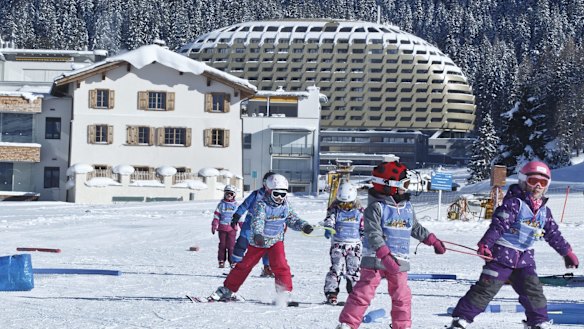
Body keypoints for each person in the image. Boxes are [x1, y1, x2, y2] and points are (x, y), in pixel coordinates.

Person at [447, 161, 579, 329]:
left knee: (533, 290)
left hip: (525, 258)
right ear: (523, 181)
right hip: (502, 254)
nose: (538, 186)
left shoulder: (545, 211)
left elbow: (553, 234)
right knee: (487, 288)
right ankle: (461, 319)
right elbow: (498, 225)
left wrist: (566, 252)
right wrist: (485, 244)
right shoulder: (514, 204)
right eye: (533, 181)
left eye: (543, 183)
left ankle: (538, 321)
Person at [335, 160, 446, 329]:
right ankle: (348, 324)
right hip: (375, 261)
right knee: (363, 293)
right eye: (405, 184)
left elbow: (414, 227)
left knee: (402, 297)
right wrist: (385, 255)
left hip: (399, 261)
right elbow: (373, 234)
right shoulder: (376, 208)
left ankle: (401, 326)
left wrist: (432, 240)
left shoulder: (407, 207)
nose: (407, 188)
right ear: (389, 186)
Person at [209, 174, 314, 302]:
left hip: (276, 240)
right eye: (276, 194)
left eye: (283, 194)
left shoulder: (286, 205)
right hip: (259, 241)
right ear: (269, 191)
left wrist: (303, 226)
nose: (280, 198)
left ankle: (284, 293)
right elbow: (257, 220)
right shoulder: (261, 204)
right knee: (245, 265)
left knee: (281, 265)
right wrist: (258, 235)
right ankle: (227, 289)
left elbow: (292, 219)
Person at [322, 181, 364, 305]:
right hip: (338, 245)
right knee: (336, 269)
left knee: (354, 270)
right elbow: (330, 220)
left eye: (348, 204)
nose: (345, 207)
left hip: (354, 246)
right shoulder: (335, 210)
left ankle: (355, 294)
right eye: (342, 204)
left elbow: (363, 227)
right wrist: (328, 229)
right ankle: (331, 293)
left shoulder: (360, 212)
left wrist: (366, 239)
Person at [230, 171, 275, 277]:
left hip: (266, 226)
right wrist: (236, 215)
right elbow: (245, 205)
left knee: (267, 247)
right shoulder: (256, 194)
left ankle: (267, 268)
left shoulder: (277, 197)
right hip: (250, 224)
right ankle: (236, 265)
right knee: (241, 244)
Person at [211, 185, 239, 268]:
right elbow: (216, 216)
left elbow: (240, 217)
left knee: (231, 246)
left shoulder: (236, 205)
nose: (229, 195)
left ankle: (232, 261)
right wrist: (214, 225)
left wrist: (242, 226)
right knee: (222, 245)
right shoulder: (221, 205)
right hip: (222, 228)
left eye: (231, 194)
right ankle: (221, 260)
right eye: (227, 193)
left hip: (232, 229)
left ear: (234, 195)